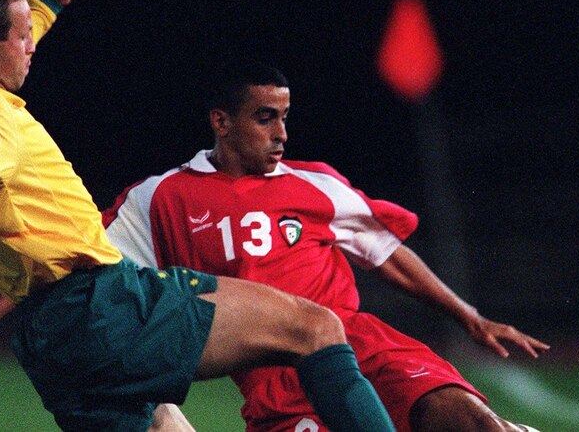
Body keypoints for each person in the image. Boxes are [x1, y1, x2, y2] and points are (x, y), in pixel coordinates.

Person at [0, 0, 398, 431]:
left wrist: (49, 3)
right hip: (102, 307)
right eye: (23, 35)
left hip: (47, 339)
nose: (32, 43)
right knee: (315, 328)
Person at [102, 62, 549, 432]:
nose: (282, 133)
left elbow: (386, 254)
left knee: (470, 421)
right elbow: (94, 259)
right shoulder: (161, 197)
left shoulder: (315, 183)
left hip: (358, 344)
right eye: (265, 118)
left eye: (284, 117)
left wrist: (471, 319)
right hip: (272, 376)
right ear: (221, 122)